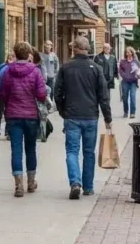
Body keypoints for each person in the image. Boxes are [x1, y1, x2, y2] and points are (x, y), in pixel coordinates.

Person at [54, 36, 112, 199]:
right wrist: (107, 117)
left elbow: (57, 93)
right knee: (89, 152)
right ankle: (88, 187)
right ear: (88, 49)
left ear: (74, 49)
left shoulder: (66, 67)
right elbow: (103, 96)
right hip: (90, 115)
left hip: (72, 115)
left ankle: (75, 182)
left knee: (72, 151)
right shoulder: (96, 68)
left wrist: (62, 111)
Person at [0, 42, 48, 197]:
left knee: (16, 149)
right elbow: (41, 94)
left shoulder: (8, 71)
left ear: (15, 54)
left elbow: (2, 94)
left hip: (13, 115)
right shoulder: (35, 71)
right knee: (30, 149)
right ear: (29, 55)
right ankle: (31, 182)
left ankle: (18, 185)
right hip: (31, 115)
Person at [118, 46, 140, 119]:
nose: (128, 53)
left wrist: (137, 75)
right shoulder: (123, 61)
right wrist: (125, 75)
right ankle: (126, 111)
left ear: (132, 53)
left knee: (132, 96)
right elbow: (120, 70)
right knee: (125, 97)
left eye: (129, 52)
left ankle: (132, 113)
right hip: (125, 82)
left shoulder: (135, 61)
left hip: (133, 82)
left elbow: (139, 70)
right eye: (126, 52)